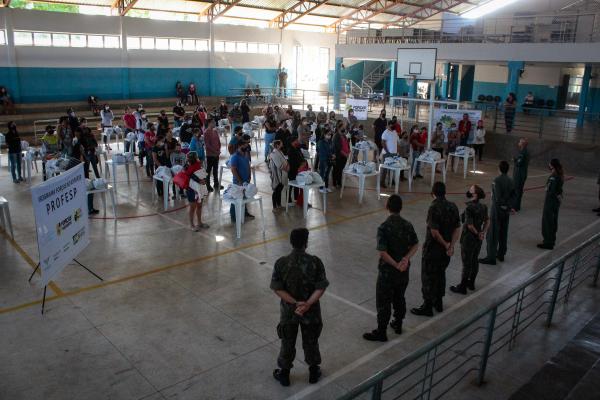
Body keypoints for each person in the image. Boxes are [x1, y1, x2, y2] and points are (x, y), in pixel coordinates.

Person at [271, 228, 329, 387]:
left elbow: (278, 289)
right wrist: (308, 303)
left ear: (291, 242)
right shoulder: (315, 262)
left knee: (287, 341)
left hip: (289, 312)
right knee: (311, 341)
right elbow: (321, 287)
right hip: (311, 312)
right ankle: (313, 372)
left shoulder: (281, 263)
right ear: (306, 242)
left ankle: (284, 374)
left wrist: (295, 303)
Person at [363, 195, 419, 342]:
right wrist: (406, 259)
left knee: (384, 301)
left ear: (387, 206)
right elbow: (415, 244)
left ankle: (381, 332)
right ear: (401, 207)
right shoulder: (408, 225)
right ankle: (398, 323)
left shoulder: (384, 227)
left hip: (388, 272)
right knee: (399, 297)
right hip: (403, 270)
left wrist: (395, 264)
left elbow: (382, 251)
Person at [411, 182, 460, 317]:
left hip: (433, 250)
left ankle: (427, 306)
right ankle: (438, 302)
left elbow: (434, 232)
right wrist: (451, 245)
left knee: (428, 277)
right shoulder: (453, 206)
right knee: (440, 274)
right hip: (445, 252)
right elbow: (457, 228)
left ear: (433, 193)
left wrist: (445, 244)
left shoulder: (433, 207)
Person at [450, 185, 489, 294]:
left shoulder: (469, 208)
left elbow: (470, 225)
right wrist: (482, 232)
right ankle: (471, 283)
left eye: (471, 190)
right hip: (478, 239)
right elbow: (487, 221)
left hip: (469, 239)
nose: (469, 191)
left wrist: (477, 233)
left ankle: (462, 287)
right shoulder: (483, 207)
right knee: (474, 260)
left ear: (475, 194)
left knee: (466, 263)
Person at [479, 161, 516, 265]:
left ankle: (491, 257)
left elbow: (497, 197)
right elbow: (514, 195)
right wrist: (509, 207)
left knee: (493, 233)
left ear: (499, 169)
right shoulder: (511, 180)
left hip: (497, 210)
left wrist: (502, 205)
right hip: (506, 210)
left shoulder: (497, 180)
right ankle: (501, 254)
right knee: (503, 232)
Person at [538, 159, 564, 250]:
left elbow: (551, 190)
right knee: (553, 221)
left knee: (548, 221)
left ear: (552, 165)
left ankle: (548, 242)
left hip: (550, 202)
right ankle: (551, 239)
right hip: (555, 202)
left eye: (550, 164)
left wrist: (547, 190)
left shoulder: (554, 176)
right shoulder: (559, 175)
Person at [229, 137, 255, 222]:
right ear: (240, 145)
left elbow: (248, 164)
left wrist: (249, 176)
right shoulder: (235, 156)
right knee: (236, 198)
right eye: (245, 145)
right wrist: (240, 180)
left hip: (246, 180)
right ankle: (233, 216)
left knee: (245, 196)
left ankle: (245, 212)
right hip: (238, 182)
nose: (247, 146)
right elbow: (233, 169)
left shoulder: (246, 154)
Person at [184, 151, 209, 231]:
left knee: (199, 206)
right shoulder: (187, 166)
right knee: (192, 207)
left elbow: (202, 173)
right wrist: (199, 180)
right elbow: (190, 175)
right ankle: (192, 225)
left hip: (199, 188)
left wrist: (204, 180)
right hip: (191, 190)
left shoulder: (198, 165)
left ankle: (200, 222)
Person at [269, 140, 288, 211]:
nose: (282, 145)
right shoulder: (274, 153)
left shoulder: (279, 152)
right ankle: (274, 207)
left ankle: (279, 205)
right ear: (277, 145)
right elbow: (279, 165)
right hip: (276, 174)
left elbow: (284, 160)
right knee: (276, 190)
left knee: (280, 189)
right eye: (281, 144)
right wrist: (286, 168)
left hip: (282, 173)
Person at [204, 119, 221, 192]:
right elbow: (207, 145)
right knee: (209, 170)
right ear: (209, 123)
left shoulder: (215, 131)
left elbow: (218, 141)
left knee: (215, 169)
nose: (215, 123)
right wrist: (215, 151)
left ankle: (216, 183)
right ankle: (208, 185)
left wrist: (218, 150)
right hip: (210, 154)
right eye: (213, 122)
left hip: (216, 153)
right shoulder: (206, 132)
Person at [380, 120, 399, 188]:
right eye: (393, 125)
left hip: (394, 153)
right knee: (385, 168)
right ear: (390, 125)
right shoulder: (386, 132)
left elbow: (396, 142)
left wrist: (397, 151)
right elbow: (383, 142)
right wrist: (387, 151)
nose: (395, 126)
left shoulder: (394, 132)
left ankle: (391, 180)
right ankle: (382, 182)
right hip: (387, 153)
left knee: (392, 168)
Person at [513, 138, 529, 212]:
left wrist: (515, 160)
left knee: (517, 190)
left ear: (522, 144)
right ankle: (517, 206)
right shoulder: (525, 151)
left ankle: (515, 207)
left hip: (519, 174)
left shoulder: (523, 153)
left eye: (519, 142)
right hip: (522, 173)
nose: (518, 143)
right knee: (519, 190)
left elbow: (519, 163)